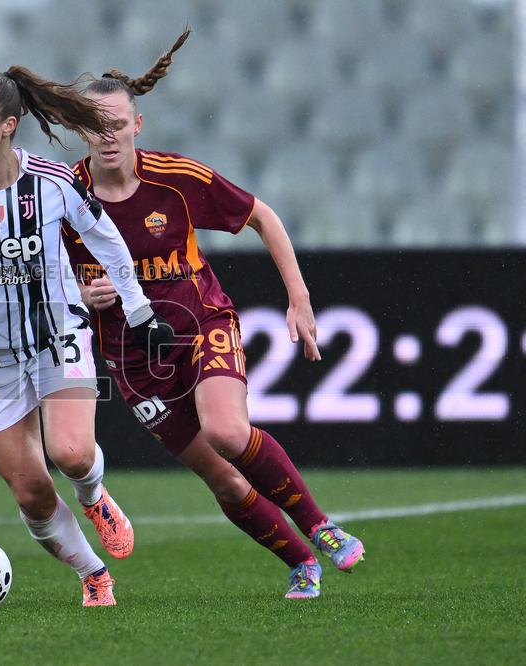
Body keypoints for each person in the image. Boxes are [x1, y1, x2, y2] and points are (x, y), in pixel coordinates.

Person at [62, 28, 365, 599]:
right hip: (132, 359)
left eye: (118, 124)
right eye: (95, 126)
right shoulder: (62, 197)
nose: (108, 136)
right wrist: (81, 297)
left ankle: (321, 526)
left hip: (201, 323)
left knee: (228, 431)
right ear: (81, 130)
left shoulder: (177, 180)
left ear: (137, 126)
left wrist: (298, 299)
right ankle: (302, 562)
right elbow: (42, 282)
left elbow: (263, 216)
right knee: (223, 479)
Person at [0, 68, 174, 606]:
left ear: (7, 125)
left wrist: (140, 312)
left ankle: (94, 496)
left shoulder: (52, 182)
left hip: (58, 337)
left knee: (70, 452)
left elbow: (108, 242)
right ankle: (94, 574)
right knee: (31, 490)